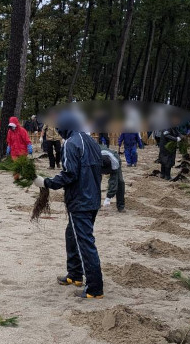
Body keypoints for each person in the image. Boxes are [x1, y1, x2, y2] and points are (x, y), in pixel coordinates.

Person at [33, 111, 104, 299]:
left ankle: (95, 288)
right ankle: (74, 274)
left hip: (80, 201)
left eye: (59, 127)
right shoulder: (91, 142)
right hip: (93, 198)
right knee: (71, 235)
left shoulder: (71, 144)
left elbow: (69, 174)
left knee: (85, 243)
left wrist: (46, 182)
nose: (58, 130)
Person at [100, 147, 125, 212]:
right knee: (94, 182)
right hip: (96, 161)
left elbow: (113, 181)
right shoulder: (92, 157)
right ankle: (95, 204)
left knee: (120, 182)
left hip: (113, 159)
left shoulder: (115, 162)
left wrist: (108, 197)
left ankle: (121, 206)